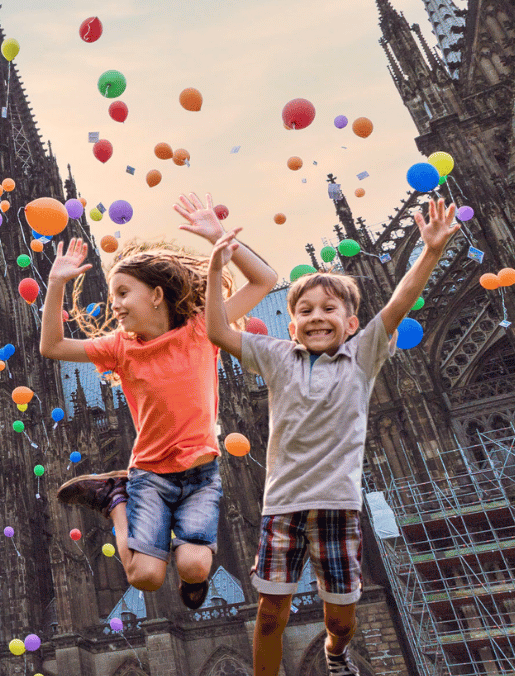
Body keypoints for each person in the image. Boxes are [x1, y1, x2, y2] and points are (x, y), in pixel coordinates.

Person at [205, 200, 459, 676]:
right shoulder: (278, 357)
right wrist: (218, 260)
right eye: (304, 310)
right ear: (292, 323)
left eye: (329, 309)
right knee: (268, 615)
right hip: (281, 505)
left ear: (350, 324)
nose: (317, 316)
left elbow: (398, 303)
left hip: (339, 505)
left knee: (341, 618)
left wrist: (429, 252)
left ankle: (336, 651)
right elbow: (216, 329)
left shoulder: (361, 357)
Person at [39, 194, 277, 609]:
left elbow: (264, 281)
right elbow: (53, 345)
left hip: (200, 471)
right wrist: (57, 283)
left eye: (123, 292)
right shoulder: (120, 347)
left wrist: (221, 236)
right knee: (145, 576)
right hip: (149, 472)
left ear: (156, 295)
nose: (113, 304)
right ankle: (115, 495)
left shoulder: (205, 328)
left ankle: (193, 580)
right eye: (112, 294)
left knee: (195, 568)